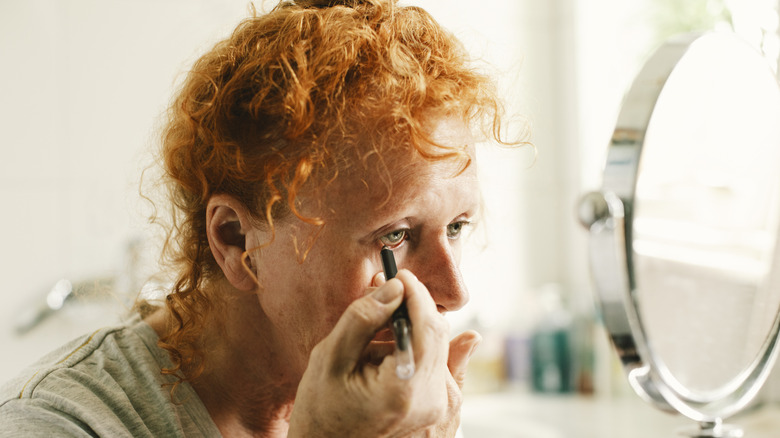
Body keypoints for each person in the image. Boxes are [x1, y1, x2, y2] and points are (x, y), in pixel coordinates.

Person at [0, 0, 516, 436]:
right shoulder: (57, 422)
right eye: (396, 235)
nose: (453, 291)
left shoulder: (400, 413)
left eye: (457, 227)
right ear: (236, 240)